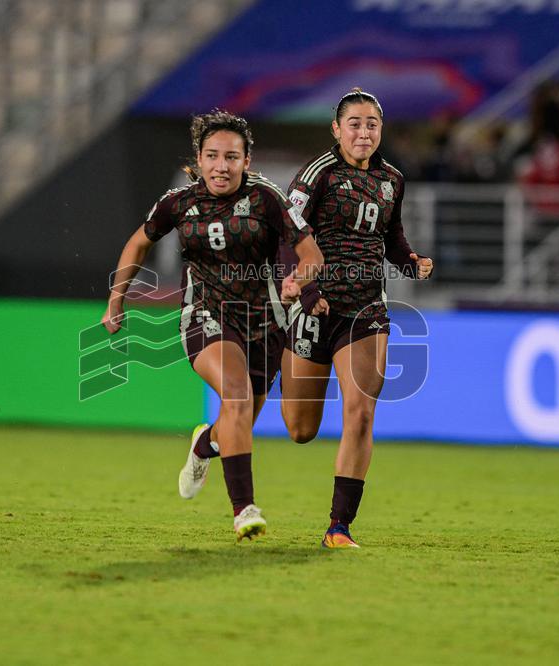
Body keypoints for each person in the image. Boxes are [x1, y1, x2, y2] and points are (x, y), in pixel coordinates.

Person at [102, 110, 323, 541]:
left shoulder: (267, 199)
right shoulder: (179, 203)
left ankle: (205, 445)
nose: (222, 166)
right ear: (199, 160)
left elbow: (312, 254)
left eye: (231, 157)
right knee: (236, 397)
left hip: (264, 324)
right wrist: (117, 298)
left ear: (247, 160)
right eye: (213, 156)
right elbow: (139, 241)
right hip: (205, 314)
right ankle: (244, 510)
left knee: (236, 419)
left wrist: (300, 278)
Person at [277, 89, 434, 548]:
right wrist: (306, 290)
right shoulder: (316, 175)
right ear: (336, 129)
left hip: (366, 309)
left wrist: (410, 261)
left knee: (361, 412)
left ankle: (338, 527)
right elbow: (289, 237)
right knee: (300, 430)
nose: (363, 131)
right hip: (314, 308)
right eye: (354, 123)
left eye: (372, 124)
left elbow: (391, 235)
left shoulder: (392, 180)